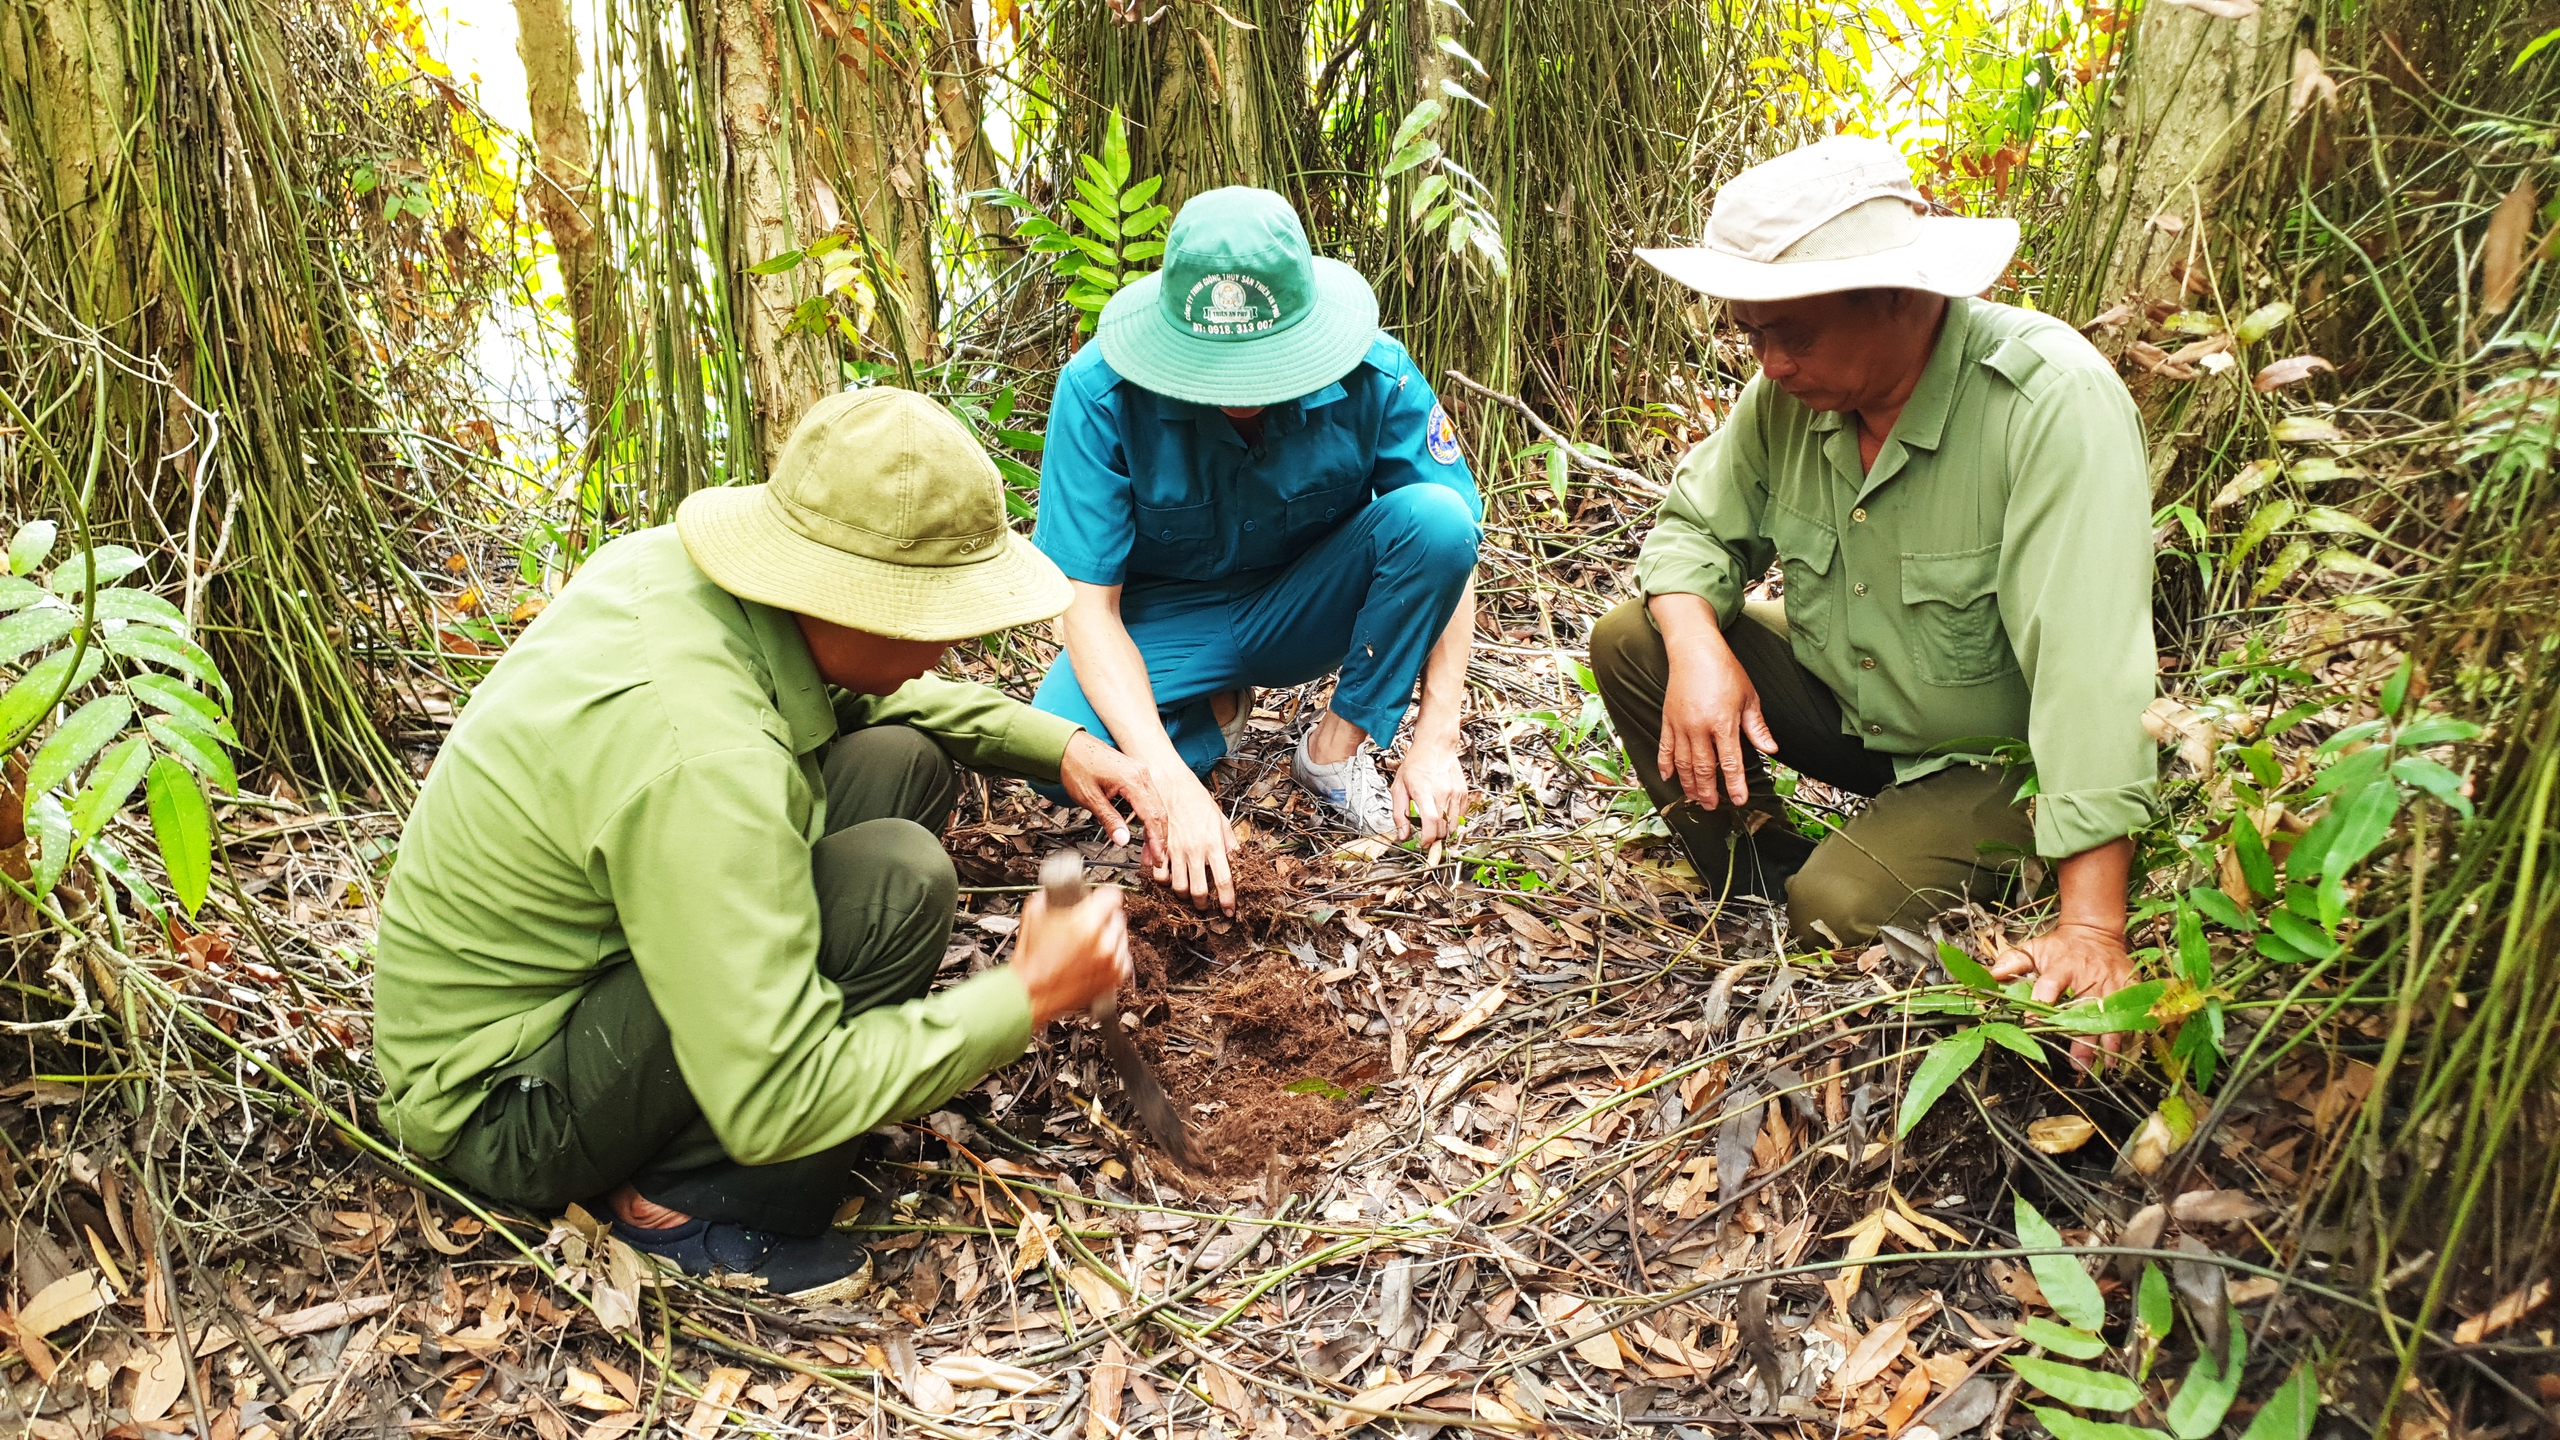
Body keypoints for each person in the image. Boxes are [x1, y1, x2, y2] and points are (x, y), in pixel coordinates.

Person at [373, 389, 1168, 1299]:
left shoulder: (686, 581)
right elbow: (777, 1096)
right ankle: (690, 1207)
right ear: (860, 601)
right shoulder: (709, 757)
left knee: (901, 762)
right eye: (940, 617)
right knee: (897, 886)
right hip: (506, 1102)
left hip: (577, 968)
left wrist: (1053, 741)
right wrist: (1024, 996)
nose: (955, 644)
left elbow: (864, 693)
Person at [1591, 136, 2157, 1009]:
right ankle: (1756, 881)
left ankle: (1822, 894)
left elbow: (2089, 667)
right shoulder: (1789, 394)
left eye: (1795, 335)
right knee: (1638, 639)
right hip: (1855, 704)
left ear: (1899, 294)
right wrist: (1697, 644)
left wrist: (2091, 927)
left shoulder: (2046, 404)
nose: (1771, 365)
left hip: (1998, 756)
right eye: (1752, 336)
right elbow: (1691, 530)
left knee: (1836, 911)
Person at [1030, 186, 1484, 915]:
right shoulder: (1100, 393)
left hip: (1306, 603)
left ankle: (1332, 753)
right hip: (1166, 622)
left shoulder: (1375, 371)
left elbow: (1451, 547)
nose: (1245, 393)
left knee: (1436, 520)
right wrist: (1169, 782)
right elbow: (1085, 608)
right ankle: (1212, 712)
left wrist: (1437, 736)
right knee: (1063, 750)